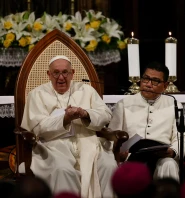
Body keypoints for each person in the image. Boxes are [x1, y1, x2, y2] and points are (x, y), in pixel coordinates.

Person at [21, 55, 116, 198]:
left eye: (65, 72)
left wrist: (85, 113)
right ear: (48, 74)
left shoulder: (86, 90)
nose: (61, 77)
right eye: (56, 73)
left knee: (109, 166)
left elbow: (106, 115)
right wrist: (65, 119)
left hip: (89, 141)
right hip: (53, 146)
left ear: (72, 73)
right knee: (63, 170)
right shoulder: (37, 94)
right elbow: (38, 127)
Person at [108, 61, 185, 181]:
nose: (148, 84)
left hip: (161, 155)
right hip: (131, 155)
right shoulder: (124, 103)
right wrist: (117, 151)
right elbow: (112, 134)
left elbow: (182, 137)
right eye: (145, 79)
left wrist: (172, 151)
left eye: (155, 81)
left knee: (169, 164)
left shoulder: (174, 104)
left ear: (165, 86)